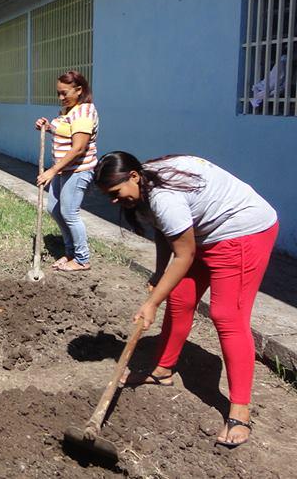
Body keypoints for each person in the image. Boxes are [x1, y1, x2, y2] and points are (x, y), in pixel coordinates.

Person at [94, 151, 278, 448]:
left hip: (242, 231)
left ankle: (240, 411)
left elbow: (184, 253)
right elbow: (166, 232)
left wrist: (152, 303)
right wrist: (158, 273)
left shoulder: (164, 196)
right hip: (204, 234)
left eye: (115, 193)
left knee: (226, 315)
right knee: (179, 298)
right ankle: (162, 370)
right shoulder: (144, 184)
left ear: (133, 176)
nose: (114, 201)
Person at [33, 70, 99, 272]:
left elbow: (78, 147)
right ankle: (70, 251)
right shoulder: (69, 111)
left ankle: (82, 258)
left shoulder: (84, 112)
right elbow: (64, 131)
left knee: (70, 213)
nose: (61, 98)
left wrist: (52, 171)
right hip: (64, 170)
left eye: (65, 93)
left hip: (78, 171)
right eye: (58, 93)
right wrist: (47, 125)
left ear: (79, 90)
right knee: (54, 208)